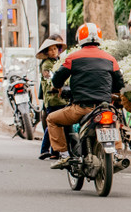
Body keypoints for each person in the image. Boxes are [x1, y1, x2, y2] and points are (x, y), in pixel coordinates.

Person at [47, 23, 124, 169]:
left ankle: (64, 155)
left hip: (81, 109)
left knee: (52, 119)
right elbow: (119, 83)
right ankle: (117, 152)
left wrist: (56, 87)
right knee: (114, 120)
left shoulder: (73, 58)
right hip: (104, 108)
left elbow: (57, 78)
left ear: (79, 38)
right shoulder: (110, 59)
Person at [36, 35, 67, 160]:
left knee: (57, 126)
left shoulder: (59, 62)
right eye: (51, 49)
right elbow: (49, 80)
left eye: (55, 49)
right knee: (52, 125)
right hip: (52, 99)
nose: (53, 51)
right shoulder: (46, 65)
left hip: (62, 98)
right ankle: (44, 150)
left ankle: (55, 152)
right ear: (46, 52)